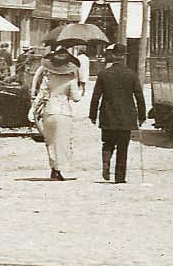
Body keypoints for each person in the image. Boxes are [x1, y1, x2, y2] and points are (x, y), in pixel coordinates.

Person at [88, 46, 146, 184]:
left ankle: (106, 162)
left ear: (113, 56)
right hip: (126, 117)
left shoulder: (104, 74)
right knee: (123, 148)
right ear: (123, 57)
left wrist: (93, 115)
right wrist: (142, 116)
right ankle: (120, 177)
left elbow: (96, 96)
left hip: (108, 115)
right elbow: (139, 96)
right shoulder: (131, 74)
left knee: (107, 143)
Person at [35, 48, 82, 180]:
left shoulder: (48, 78)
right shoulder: (71, 79)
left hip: (49, 111)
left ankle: (53, 169)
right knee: (62, 141)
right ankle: (59, 168)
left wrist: (33, 110)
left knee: (50, 141)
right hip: (64, 112)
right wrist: (80, 89)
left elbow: (41, 95)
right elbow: (76, 98)